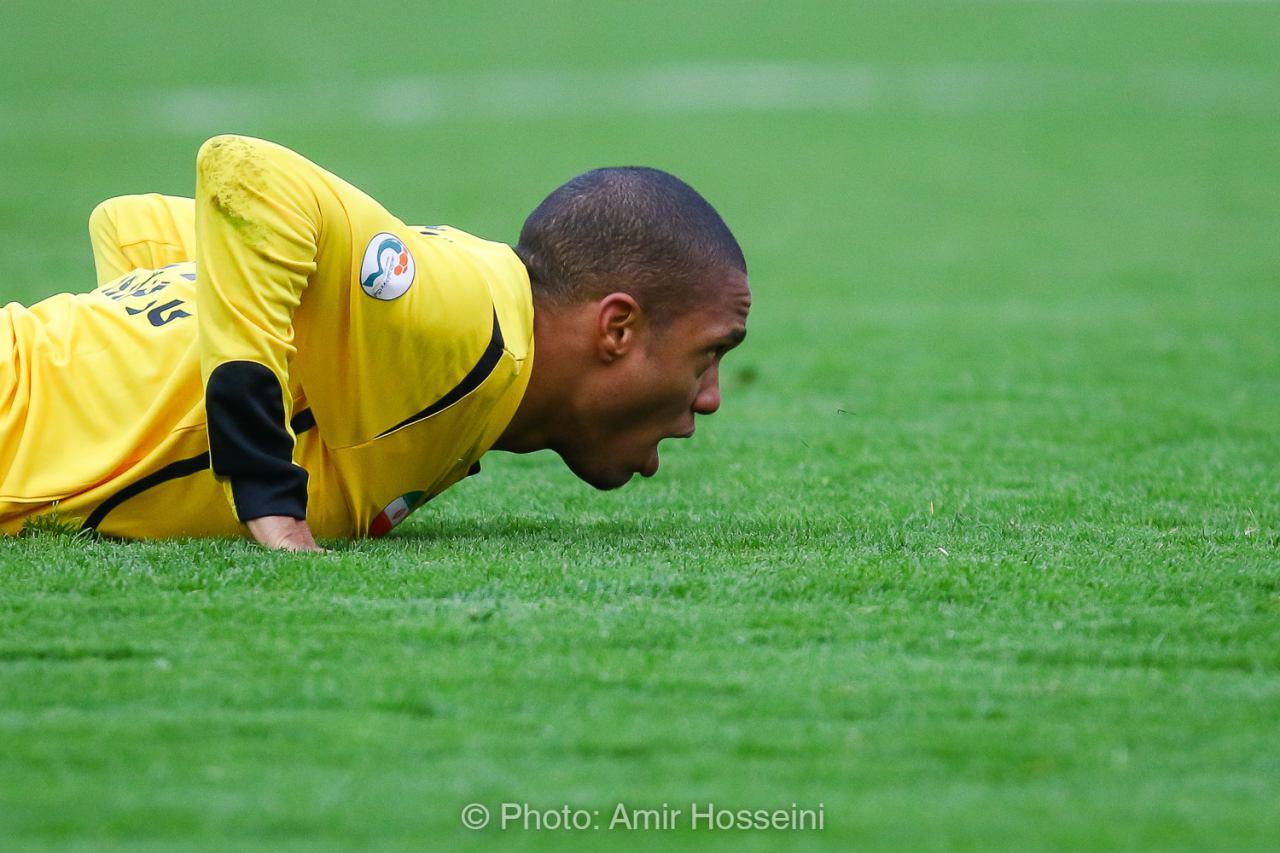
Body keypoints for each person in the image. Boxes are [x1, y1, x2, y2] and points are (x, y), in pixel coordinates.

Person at [0, 135, 750, 551]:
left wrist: (138, 352)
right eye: (709, 353)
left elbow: (131, 222)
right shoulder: (470, 323)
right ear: (617, 328)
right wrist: (265, 489)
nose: (712, 397)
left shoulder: (479, 351)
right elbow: (249, 172)